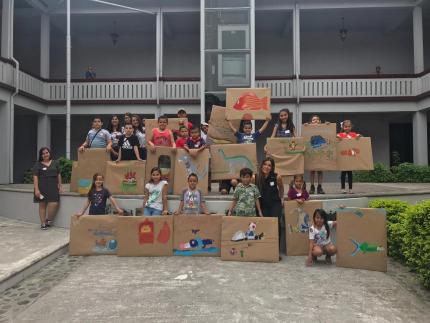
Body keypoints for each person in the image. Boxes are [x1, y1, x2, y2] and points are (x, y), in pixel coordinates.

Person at [254, 157, 284, 258]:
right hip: (262, 205)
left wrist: (282, 199)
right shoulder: (256, 177)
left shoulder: (277, 177)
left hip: (275, 203)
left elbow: (281, 188)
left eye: (269, 165)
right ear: (262, 165)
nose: (267, 167)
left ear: (272, 167)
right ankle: (265, 249)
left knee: (276, 225)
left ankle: (276, 251)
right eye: (265, 164)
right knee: (264, 225)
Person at [33, 147, 62, 230]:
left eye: (47, 152)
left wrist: (60, 185)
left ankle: (48, 220)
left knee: (54, 203)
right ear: (41, 155)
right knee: (42, 205)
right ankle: (42, 223)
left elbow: (58, 174)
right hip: (41, 187)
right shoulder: (37, 164)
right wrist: (36, 189)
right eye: (43, 153)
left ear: (49, 153)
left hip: (53, 187)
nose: (45, 154)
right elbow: (35, 177)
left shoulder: (55, 163)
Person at [337, 120, 361, 194]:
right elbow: (336, 139)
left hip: (351, 156)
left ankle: (350, 189)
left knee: (350, 173)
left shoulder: (353, 134)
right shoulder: (340, 135)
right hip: (343, 156)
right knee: (343, 174)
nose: (347, 128)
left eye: (349, 126)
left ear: (351, 127)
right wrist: (338, 137)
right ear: (343, 127)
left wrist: (358, 136)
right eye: (346, 127)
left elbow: (359, 139)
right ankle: (343, 188)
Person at [304, 115, 326, 194]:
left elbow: (328, 135)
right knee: (312, 170)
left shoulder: (323, 128)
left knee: (320, 170)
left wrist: (328, 125)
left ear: (320, 121)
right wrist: (306, 126)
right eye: (313, 120)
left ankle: (319, 186)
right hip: (312, 151)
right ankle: (312, 186)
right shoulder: (308, 128)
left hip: (320, 151)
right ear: (311, 122)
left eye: (317, 119)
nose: (315, 121)